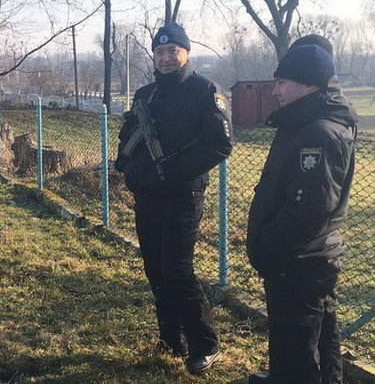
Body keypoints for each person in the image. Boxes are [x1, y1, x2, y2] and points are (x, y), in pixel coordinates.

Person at [114, 22, 233, 374]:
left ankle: (205, 344)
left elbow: (221, 143)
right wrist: (130, 170)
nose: (166, 57)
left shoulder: (205, 90)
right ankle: (171, 338)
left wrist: (174, 169)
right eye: (160, 52)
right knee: (155, 268)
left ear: (186, 53)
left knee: (178, 270)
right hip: (147, 195)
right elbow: (129, 136)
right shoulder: (146, 94)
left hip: (183, 195)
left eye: (173, 51)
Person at [246, 43, 357, 383]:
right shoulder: (302, 123)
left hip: (299, 262)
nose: (276, 90)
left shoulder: (319, 133)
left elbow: (308, 212)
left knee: (295, 348)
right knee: (318, 338)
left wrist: (269, 248)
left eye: (283, 82)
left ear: (310, 85)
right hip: (304, 258)